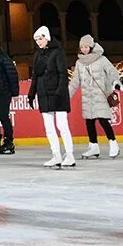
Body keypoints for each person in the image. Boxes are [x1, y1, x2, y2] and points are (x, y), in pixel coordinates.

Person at [30, 26, 76, 169]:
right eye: (36, 39)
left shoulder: (58, 52)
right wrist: (31, 94)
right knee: (49, 128)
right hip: (44, 95)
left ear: (47, 38)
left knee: (62, 126)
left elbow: (63, 74)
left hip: (58, 95)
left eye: (41, 38)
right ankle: (56, 154)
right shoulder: (37, 55)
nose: (39, 42)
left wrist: (59, 93)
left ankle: (69, 155)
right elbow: (35, 76)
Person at [70, 34, 123, 158]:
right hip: (87, 96)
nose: (83, 49)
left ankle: (113, 143)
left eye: (86, 46)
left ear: (91, 46)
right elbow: (75, 81)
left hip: (100, 95)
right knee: (89, 122)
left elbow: (112, 71)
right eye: (81, 47)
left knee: (103, 120)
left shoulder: (101, 59)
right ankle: (93, 147)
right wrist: (67, 96)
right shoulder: (79, 62)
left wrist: (115, 81)